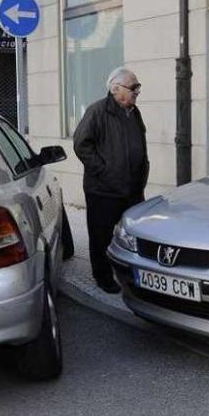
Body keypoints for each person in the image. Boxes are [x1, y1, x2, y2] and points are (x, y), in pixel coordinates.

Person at [74, 67, 149, 293]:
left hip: (132, 189)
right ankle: (103, 278)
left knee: (132, 236)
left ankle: (130, 274)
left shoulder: (134, 113)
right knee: (101, 237)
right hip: (103, 190)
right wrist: (104, 170)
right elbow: (81, 144)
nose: (137, 91)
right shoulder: (97, 111)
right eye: (133, 87)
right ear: (115, 89)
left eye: (138, 87)